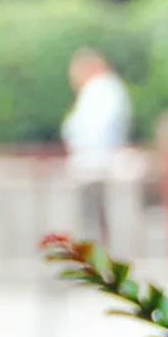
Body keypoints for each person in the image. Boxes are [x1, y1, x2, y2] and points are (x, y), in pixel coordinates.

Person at [60, 49, 132, 242]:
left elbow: (90, 129)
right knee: (96, 218)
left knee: (93, 218)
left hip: (94, 163)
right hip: (94, 162)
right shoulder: (107, 90)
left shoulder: (101, 90)